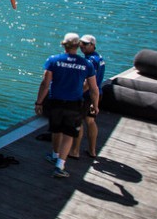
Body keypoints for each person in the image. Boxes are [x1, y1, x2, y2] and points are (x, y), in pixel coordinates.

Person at [35, 33, 98, 178]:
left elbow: (45, 84)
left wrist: (39, 102)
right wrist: (95, 105)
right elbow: (93, 88)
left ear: (63, 45)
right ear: (78, 46)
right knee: (69, 134)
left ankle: (54, 154)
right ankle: (60, 165)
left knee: (56, 130)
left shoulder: (53, 60)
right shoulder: (86, 64)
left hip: (56, 102)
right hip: (74, 104)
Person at [74, 35, 106, 159]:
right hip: (97, 94)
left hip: (87, 96)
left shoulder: (89, 61)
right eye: (81, 44)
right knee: (90, 121)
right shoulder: (99, 58)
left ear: (93, 45)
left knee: (78, 121)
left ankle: (75, 150)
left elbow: (87, 84)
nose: (82, 47)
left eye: (86, 44)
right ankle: (92, 151)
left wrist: (76, 93)